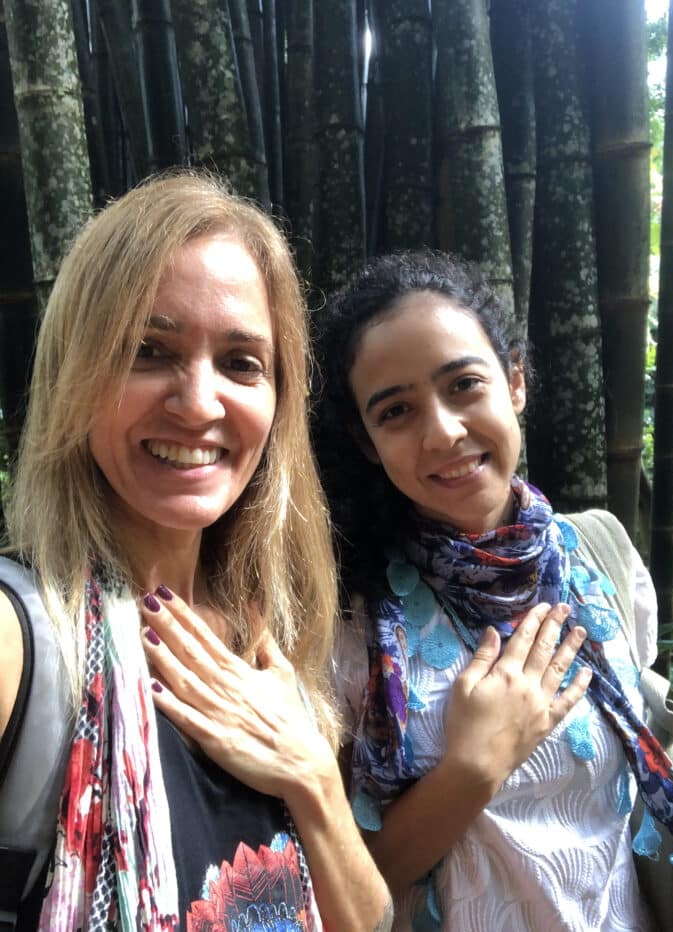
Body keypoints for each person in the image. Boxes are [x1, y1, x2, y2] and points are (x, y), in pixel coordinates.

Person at [0, 172, 393, 931]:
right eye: (149, 350)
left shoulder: (271, 645)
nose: (199, 402)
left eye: (243, 363)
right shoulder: (22, 640)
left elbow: (369, 920)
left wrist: (311, 774)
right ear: (77, 373)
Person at [312, 250, 673, 931]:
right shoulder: (348, 624)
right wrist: (470, 768)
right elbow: (344, 889)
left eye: (463, 384)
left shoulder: (598, 559)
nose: (443, 432)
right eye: (397, 411)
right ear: (367, 441)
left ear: (513, 380)